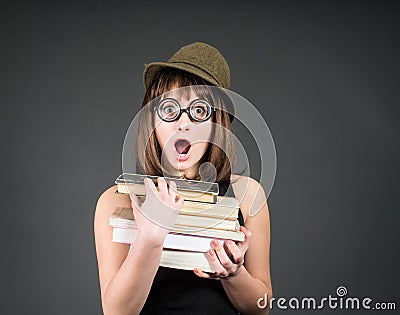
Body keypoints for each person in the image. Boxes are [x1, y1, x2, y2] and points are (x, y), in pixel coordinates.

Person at [94, 42, 273, 314]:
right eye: (169, 109)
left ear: (217, 124)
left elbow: (260, 308)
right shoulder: (117, 202)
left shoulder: (248, 196)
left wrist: (234, 275)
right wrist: (150, 238)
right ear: (152, 120)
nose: (183, 123)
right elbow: (116, 312)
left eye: (199, 111)